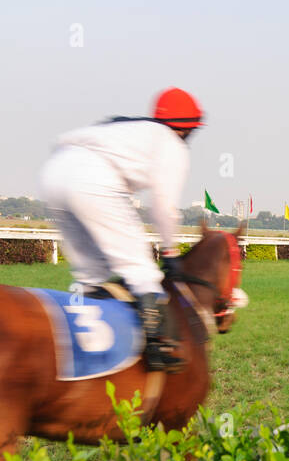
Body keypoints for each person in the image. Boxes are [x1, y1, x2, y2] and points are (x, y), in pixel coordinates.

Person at [37, 87, 203, 372]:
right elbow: (163, 206)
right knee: (140, 269)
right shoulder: (171, 144)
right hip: (93, 180)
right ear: (188, 129)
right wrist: (170, 251)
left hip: (53, 174)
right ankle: (158, 346)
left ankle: (84, 344)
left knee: (91, 275)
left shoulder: (131, 127)